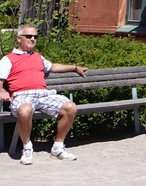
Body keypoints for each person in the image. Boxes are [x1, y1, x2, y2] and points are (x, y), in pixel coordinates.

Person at [0, 24, 86, 164]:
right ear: (19, 39)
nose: (33, 39)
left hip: (43, 95)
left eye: (35, 36)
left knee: (70, 107)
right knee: (25, 110)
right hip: (22, 96)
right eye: (29, 36)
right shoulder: (8, 59)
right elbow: (0, 80)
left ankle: (58, 147)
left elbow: (52, 67)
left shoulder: (38, 57)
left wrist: (75, 68)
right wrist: (2, 90)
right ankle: (27, 148)